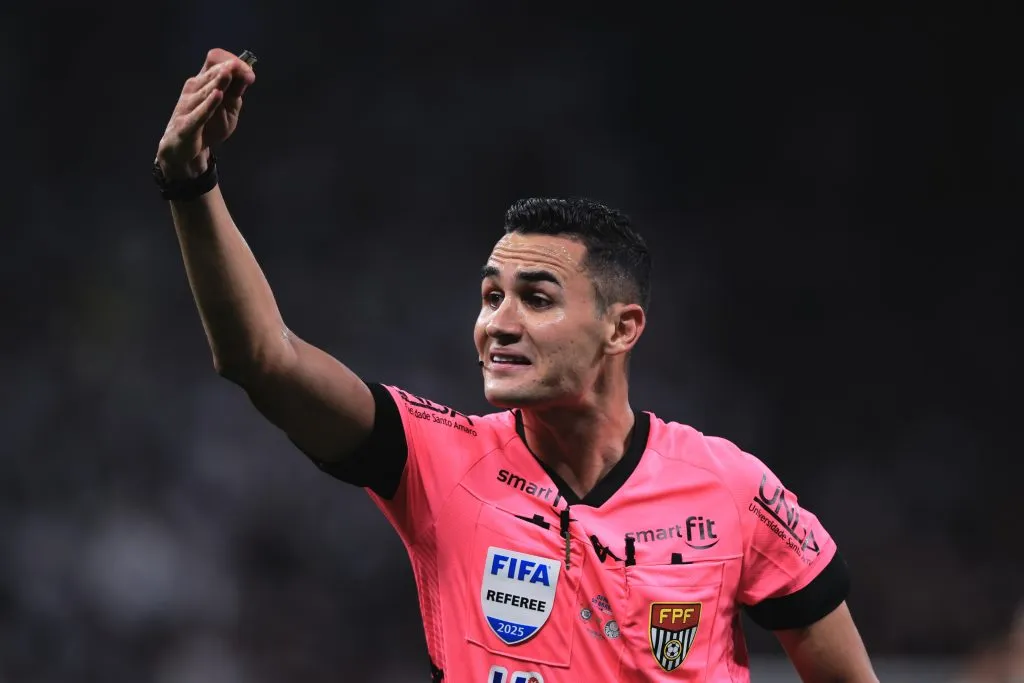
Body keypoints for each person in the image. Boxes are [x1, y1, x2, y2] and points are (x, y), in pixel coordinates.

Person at [153, 48, 879, 682]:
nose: (497, 322)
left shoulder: (732, 489)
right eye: (490, 296)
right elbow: (262, 357)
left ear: (621, 328)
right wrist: (193, 183)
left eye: (536, 297)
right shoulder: (438, 462)